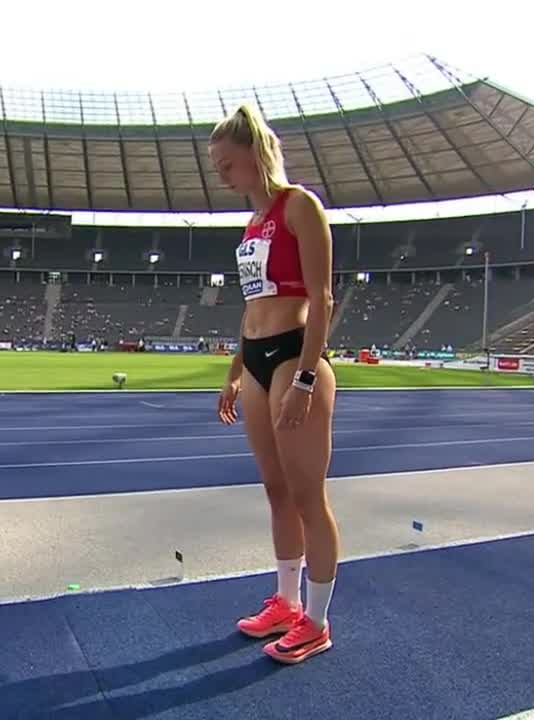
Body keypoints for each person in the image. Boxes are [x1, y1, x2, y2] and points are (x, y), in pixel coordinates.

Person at [210, 104, 340, 665]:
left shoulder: (299, 206)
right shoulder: (251, 226)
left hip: (294, 356)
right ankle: (286, 602)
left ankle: (317, 620)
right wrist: (235, 373)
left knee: (309, 495)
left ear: (256, 156)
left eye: (227, 164)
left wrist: (307, 377)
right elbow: (252, 306)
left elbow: (322, 297)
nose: (222, 177)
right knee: (276, 491)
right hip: (258, 358)